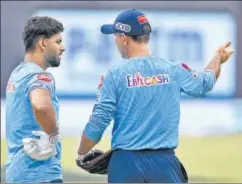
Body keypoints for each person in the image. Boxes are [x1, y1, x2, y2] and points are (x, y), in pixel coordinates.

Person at [76, 9, 234, 183]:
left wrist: (82, 153)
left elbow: (98, 122)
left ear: (123, 38)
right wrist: (218, 58)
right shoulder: (173, 69)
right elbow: (205, 82)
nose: (115, 41)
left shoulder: (114, 74)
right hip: (164, 164)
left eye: (115, 36)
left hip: (125, 164)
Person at [5, 16, 65, 183]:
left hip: (17, 172)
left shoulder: (17, 73)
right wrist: (53, 134)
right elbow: (41, 105)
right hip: (40, 173)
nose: (63, 48)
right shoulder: (39, 75)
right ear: (43, 44)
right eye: (58, 41)